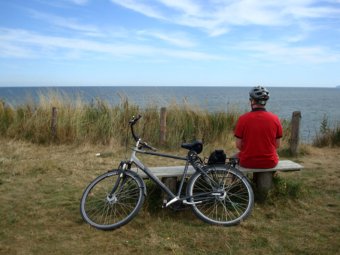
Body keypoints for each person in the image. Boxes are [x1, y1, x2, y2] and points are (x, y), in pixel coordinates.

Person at [234, 86, 283, 169]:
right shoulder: (275, 118)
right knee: (275, 156)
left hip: (247, 162)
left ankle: (237, 182)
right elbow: (277, 145)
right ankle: (273, 179)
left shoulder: (242, 119)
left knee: (233, 158)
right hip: (270, 162)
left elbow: (238, 145)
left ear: (252, 101)